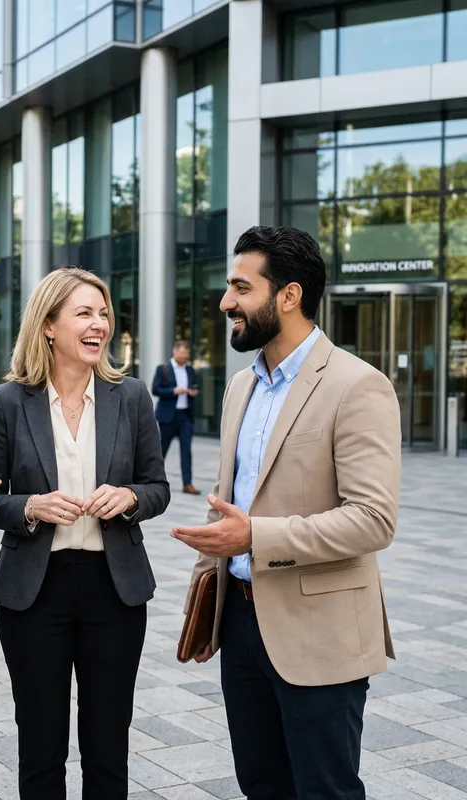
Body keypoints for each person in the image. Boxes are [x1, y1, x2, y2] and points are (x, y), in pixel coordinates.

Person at [173, 226, 401, 800]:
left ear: (289, 295)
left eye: (240, 287)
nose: (226, 302)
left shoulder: (357, 385)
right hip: (242, 624)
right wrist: (210, 588)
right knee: (262, 785)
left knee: (324, 790)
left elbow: (374, 518)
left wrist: (254, 534)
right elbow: (235, 504)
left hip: (319, 636)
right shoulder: (240, 388)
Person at [0, 266, 170, 799]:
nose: (99, 324)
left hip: (115, 589)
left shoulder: (130, 397)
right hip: (35, 593)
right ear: (48, 326)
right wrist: (31, 506)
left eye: (103, 313)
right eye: (84, 312)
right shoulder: (9, 402)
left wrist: (129, 497)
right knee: (40, 747)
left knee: (108, 746)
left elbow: (158, 487)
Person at [152, 340, 200, 495]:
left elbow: (195, 385)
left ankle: (187, 484)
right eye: (182, 353)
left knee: (186, 451)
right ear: (175, 351)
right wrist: (174, 391)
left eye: (187, 354)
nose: (185, 356)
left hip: (185, 416)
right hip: (167, 417)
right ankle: (152, 481)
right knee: (161, 450)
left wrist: (193, 392)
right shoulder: (163, 369)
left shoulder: (190, 370)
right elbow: (155, 389)